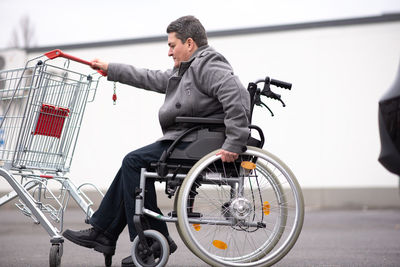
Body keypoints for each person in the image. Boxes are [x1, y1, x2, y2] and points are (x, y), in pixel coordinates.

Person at [62, 15, 250, 266]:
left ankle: (139, 239)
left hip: (199, 141)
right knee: (133, 163)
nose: (169, 52)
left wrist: (233, 143)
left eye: (173, 45)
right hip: (188, 139)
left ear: (190, 43)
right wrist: (111, 68)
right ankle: (112, 234)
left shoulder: (208, 64)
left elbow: (237, 95)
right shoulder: (188, 69)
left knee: (133, 161)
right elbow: (149, 77)